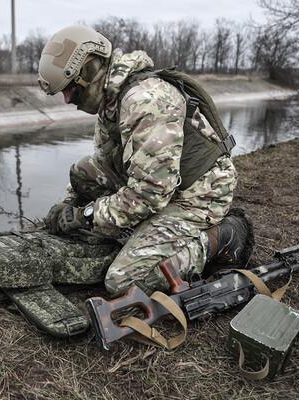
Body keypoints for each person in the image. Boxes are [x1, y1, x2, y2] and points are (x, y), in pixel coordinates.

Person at [38, 25, 253, 297]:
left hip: (197, 194)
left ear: (90, 70)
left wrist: (86, 216)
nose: (67, 99)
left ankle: (223, 236)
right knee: (82, 171)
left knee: (123, 283)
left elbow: (150, 195)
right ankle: (140, 232)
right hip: (163, 185)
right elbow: (104, 162)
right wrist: (69, 204)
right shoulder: (111, 101)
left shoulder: (146, 101)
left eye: (70, 88)